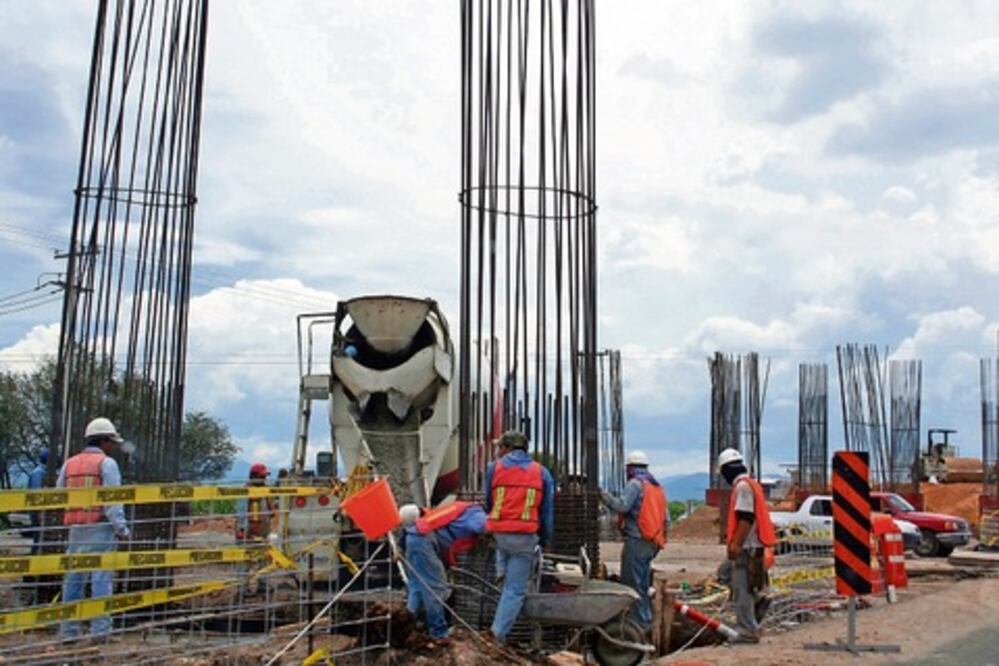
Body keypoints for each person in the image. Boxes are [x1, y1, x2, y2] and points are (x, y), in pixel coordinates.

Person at [57, 417, 130, 640]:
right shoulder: (106, 464)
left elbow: (59, 493)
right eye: (112, 442)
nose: (113, 447)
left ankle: (68, 632)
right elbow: (112, 501)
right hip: (100, 527)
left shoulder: (70, 463)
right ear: (104, 441)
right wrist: (122, 529)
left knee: (73, 580)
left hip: (77, 528)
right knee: (101, 580)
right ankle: (101, 631)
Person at [483, 430, 554, 643]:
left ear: (506, 448)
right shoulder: (541, 472)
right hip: (524, 537)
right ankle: (496, 636)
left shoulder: (492, 469)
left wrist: (495, 522)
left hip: (499, 534)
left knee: (506, 581)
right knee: (515, 591)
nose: (497, 452)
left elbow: (488, 501)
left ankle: (501, 572)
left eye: (499, 448)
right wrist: (545, 540)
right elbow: (547, 512)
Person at [399, 501, 487, 640]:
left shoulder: (462, 507)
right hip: (423, 542)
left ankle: (404, 628)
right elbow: (483, 525)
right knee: (435, 588)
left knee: (416, 586)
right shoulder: (476, 514)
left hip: (413, 538)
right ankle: (438, 632)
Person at [601, 450, 668, 630]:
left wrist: (603, 495)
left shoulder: (635, 484)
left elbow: (622, 506)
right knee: (643, 583)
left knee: (633, 584)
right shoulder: (656, 487)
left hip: (638, 540)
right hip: (652, 541)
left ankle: (638, 625)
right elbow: (666, 519)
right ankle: (645, 620)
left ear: (630, 468)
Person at [716, 448, 777, 643]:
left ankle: (747, 631)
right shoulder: (752, 484)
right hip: (754, 545)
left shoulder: (742, 487)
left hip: (747, 546)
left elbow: (746, 517)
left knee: (742, 588)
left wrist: (736, 544)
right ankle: (759, 600)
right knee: (726, 575)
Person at [236, 463, 275, 542]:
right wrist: (242, 530)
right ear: (254, 477)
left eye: (265, 477)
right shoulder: (245, 492)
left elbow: (271, 512)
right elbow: (241, 513)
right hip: (250, 534)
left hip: (264, 532)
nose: (265, 479)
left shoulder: (265, 491)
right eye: (262, 476)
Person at [28, 448, 49, 553]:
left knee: (41, 535)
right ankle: (35, 556)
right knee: (38, 535)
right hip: (37, 510)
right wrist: (39, 511)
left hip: (40, 509)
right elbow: (37, 494)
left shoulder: (43, 472)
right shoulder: (39, 473)